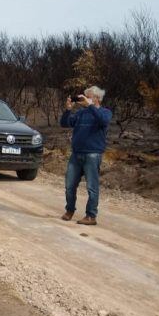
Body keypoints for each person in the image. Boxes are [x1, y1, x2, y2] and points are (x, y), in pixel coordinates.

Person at [60, 86, 112, 226]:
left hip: (93, 154)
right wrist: (68, 109)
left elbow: (103, 121)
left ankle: (91, 216)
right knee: (69, 185)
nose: (83, 98)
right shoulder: (81, 114)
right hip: (76, 154)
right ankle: (69, 210)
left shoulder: (105, 112)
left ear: (96, 98)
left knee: (92, 187)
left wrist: (90, 106)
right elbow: (64, 124)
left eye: (87, 96)